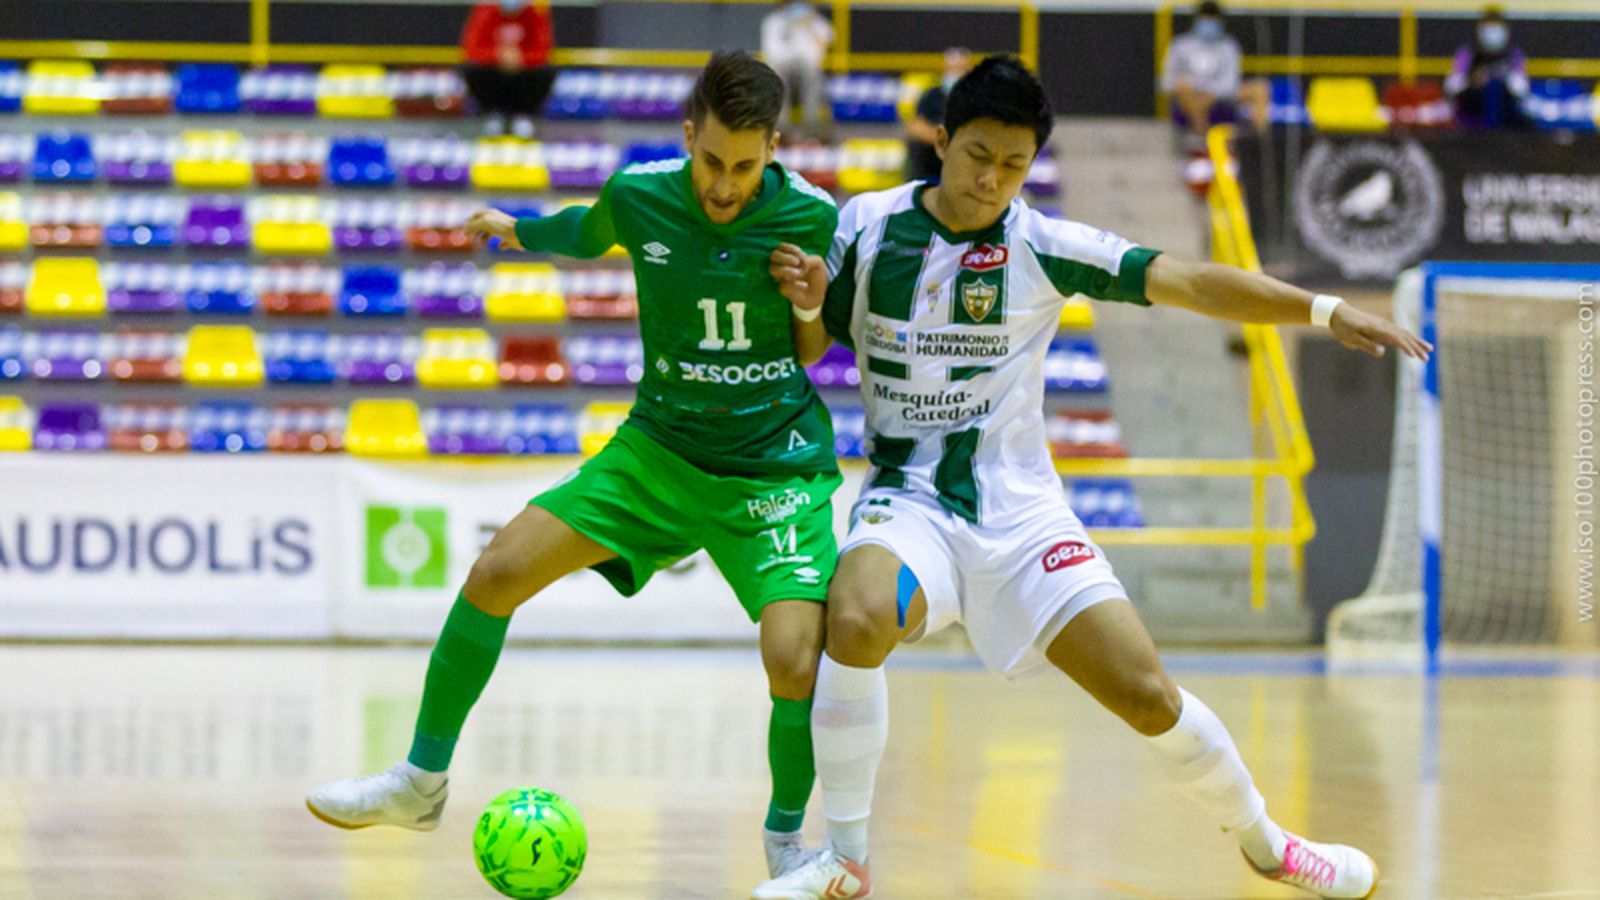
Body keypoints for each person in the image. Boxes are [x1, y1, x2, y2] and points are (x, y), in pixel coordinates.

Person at [756, 55, 1432, 900]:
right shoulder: (865, 224)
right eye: (978, 155)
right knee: (856, 618)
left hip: (1022, 517)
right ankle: (847, 861)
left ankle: (1269, 845)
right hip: (908, 503)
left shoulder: (1040, 245)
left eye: (1014, 165)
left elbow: (1191, 281)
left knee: (1147, 694)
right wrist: (809, 303)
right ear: (943, 139)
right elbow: (811, 344)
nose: (991, 179)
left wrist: (1324, 310)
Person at [306, 51, 845, 882]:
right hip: (656, 453)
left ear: (772, 148)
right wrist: (516, 229)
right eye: (711, 161)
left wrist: (810, 301)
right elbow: (586, 232)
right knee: (496, 571)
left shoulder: (811, 215)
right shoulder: (640, 193)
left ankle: (784, 845)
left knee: (794, 658)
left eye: (744, 167)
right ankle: (418, 783)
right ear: (688, 134)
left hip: (773, 471)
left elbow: (814, 349)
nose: (724, 185)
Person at [1161, 0, 1268, 140]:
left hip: (1219, 97)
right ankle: (1201, 135)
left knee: (1260, 88)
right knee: (1184, 87)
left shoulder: (1228, 46)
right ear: (1196, 21)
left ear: (1220, 23)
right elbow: (1167, 82)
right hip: (1190, 96)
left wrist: (1212, 93)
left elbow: (1231, 82)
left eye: (1213, 21)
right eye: (1205, 20)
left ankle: (1258, 141)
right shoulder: (1180, 45)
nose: (1208, 25)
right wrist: (1196, 88)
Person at [460, 0, 557, 139]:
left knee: (545, 71)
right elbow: (471, 49)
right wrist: (499, 56)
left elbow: (544, 50)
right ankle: (492, 115)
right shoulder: (485, 9)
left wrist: (520, 58)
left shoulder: (536, 11)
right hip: (494, 71)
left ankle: (524, 116)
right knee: (472, 69)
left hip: (523, 73)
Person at [1445, 5, 1532, 130]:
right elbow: (1451, 87)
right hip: (1471, 118)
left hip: (1506, 119)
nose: (1492, 35)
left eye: (1497, 29)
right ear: (1479, 31)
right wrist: (1472, 80)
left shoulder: (1513, 55)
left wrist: (1505, 78)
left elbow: (1523, 89)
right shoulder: (1468, 53)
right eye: (1488, 29)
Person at [761, 0, 835, 137]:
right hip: (783, 65)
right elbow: (773, 54)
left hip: (806, 66)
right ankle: (781, 126)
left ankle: (812, 124)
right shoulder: (773, 22)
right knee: (777, 74)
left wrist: (807, 29)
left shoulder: (817, 23)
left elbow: (817, 54)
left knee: (812, 72)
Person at [905, 47, 972, 182]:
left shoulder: (975, 97)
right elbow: (915, 127)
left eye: (960, 69)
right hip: (931, 166)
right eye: (952, 69)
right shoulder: (932, 95)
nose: (956, 74)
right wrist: (945, 141)